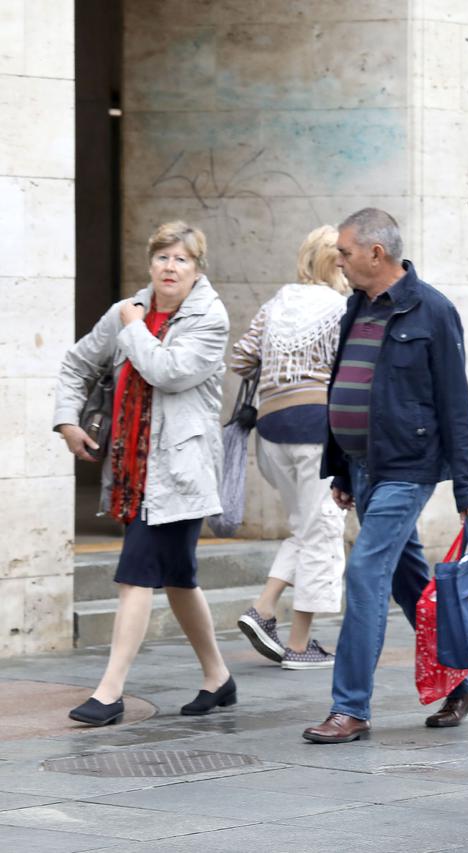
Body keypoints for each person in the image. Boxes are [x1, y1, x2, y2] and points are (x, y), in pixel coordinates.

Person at [301, 208, 468, 744]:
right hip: (362, 469)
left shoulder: (433, 311)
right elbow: (345, 387)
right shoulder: (354, 309)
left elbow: (457, 404)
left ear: (376, 254)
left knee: (363, 574)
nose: (339, 259)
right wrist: (339, 467)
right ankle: (463, 683)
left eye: (345, 251)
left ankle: (350, 707)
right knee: (408, 579)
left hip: (408, 469)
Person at [53, 221, 234, 725]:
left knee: (135, 573)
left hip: (179, 474)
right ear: (150, 263)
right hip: (134, 471)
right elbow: (77, 363)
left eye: (181, 259)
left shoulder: (209, 318)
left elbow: (168, 371)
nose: (169, 268)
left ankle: (109, 693)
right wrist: (68, 420)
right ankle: (218, 678)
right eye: (162, 258)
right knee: (178, 579)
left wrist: (132, 328)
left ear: (197, 268)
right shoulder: (129, 312)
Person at [230, 226, 350, 670]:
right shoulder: (341, 308)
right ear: (337, 261)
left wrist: (280, 368)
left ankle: (263, 608)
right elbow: (347, 367)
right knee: (323, 529)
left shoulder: (276, 303)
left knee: (304, 526)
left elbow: (241, 359)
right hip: (316, 426)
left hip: (272, 427)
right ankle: (300, 644)